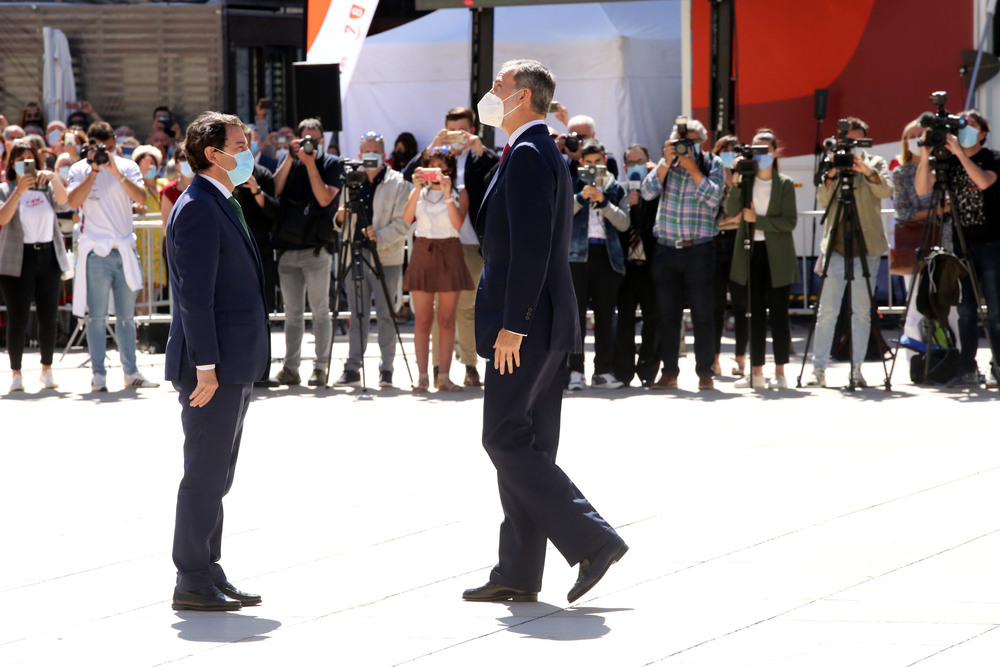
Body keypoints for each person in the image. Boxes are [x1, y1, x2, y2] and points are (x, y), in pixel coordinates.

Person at [462, 58, 627, 606]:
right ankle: (518, 570)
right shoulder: (529, 150)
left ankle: (591, 539)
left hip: (527, 324)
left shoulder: (532, 152)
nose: (491, 93)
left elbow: (531, 249)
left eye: (500, 86)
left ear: (524, 96)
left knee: (504, 437)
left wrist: (513, 325)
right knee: (528, 444)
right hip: (545, 319)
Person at [164, 111, 269, 612]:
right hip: (213, 367)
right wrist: (205, 364)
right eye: (241, 142)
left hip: (232, 362)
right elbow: (195, 296)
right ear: (214, 154)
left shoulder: (220, 200)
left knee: (218, 474)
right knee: (204, 474)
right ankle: (190, 578)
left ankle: (208, 566)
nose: (250, 149)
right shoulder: (200, 206)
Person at [403, 107, 500, 387]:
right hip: (433, 245)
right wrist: (434, 145)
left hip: (470, 243)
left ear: (471, 130)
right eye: (450, 131)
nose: (456, 137)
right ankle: (433, 372)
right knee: (429, 316)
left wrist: (480, 150)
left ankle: (469, 365)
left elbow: (495, 175)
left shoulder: (478, 158)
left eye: (462, 131)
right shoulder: (433, 159)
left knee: (465, 310)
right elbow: (409, 176)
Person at [66, 122, 159, 391]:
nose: (103, 152)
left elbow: (140, 197)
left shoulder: (128, 166)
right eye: (98, 148)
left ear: (115, 142)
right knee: (95, 317)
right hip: (97, 252)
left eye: (108, 147)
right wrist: (94, 171)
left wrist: (115, 172)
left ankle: (131, 372)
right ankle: (99, 374)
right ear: (89, 146)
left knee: (127, 317)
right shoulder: (79, 168)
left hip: (124, 250)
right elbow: (72, 202)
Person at [915, 110, 1000, 386]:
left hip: (991, 242)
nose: (965, 131)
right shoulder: (947, 161)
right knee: (965, 311)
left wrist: (961, 155)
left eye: (971, 126)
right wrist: (926, 154)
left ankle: (997, 365)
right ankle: (966, 367)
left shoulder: (992, 157)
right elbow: (922, 190)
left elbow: (984, 181)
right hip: (961, 245)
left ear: (983, 133)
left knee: (996, 310)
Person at [641, 117, 725, 391]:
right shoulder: (669, 164)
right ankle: (670, 372)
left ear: (700, 142)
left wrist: (692, 169)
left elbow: (714, 199)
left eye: (689, 142)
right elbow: (647, 192)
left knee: (702, 314)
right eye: (680, 141)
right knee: (668, 315)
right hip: (666, 248)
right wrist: (666, 162)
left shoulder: (712, 163)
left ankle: (705, 373)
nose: (683, 147)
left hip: (699, 249)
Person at [809, 117, 891, 388]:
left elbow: (886, 189)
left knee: (861, 311)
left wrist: (866, 171)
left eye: (857, 141)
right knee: (827, 311)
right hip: (836, 247)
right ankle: (818, 369)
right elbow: (822, 199)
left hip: (866, 246)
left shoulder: (875, 162)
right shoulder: (832, 161)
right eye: (847, 141)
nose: (851, 147)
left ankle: (856, 369)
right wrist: (832, 172)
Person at [333, 132, 412, 388]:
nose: (371, 156)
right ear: (359, 155)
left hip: (386, 257)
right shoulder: (350, 181)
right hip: (355, 253)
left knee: (387, 314)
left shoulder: (398, 182)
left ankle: (386, 369)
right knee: (357, 314)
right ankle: (353, 366)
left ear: (383, 154)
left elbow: (404, 222)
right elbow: (340, 220)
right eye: (367, 152)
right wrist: (340, 218)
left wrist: (380, 236)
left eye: (376, 152)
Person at [270, 118, 342, 387]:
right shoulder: (291, 159)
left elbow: (325, 198)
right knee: (292, 313)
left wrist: (311, 164)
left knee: (320, 311)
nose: (310, 143)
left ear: (322, 140)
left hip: (316, 251)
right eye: (305, 139)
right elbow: (275, 189)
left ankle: (321, 368)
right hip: (288, 248)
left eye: (314, 139)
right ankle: (291, 368)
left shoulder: (331, 164)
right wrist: (291, 157)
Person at [725, 129, 799, 390]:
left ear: (775, 152)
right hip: (750, 253)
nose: (761, 156)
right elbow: (731, 210)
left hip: (778, 257)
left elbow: (789, 221)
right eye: (756, 151)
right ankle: (756, 373)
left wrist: (760, 221)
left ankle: (779, 372)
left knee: (778, 313)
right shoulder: (746, 182)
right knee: (752, 313)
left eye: (765, 151)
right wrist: (735, 180)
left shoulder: (785, 183)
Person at [0, 141, 72, 391]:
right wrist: (18, 192)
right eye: (20, 160)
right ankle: (16, 372)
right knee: (18, 317)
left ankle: (47, 368)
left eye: (30, 159)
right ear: (12, 164)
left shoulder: (45, 187)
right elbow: (3, 217)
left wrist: (54, 179)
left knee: (48, 317)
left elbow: (66, 203)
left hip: (47, 256)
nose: (25, 163)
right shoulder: (5, 188)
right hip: (19, 258)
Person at [402, 147, 473, 392]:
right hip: (423, 250)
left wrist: (446, 193)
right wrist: (416, 187)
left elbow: (456, 223)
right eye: (433, 169)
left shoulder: (459, 193)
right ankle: (422, 376)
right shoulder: (418, 192)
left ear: (451, 170)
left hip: (450, 250)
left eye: (442, 170)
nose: (437, 174)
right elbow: (406, 218)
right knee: (422, 320)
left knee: (446, 319)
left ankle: (443, 377)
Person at [567, 139, 630, 390]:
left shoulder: (616, 188)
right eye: (588, 162)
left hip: (607, 257)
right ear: (581, 163)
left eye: (598, 162)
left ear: (604, 162)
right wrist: (581, 197)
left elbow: (624, 223)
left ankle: (603, 370)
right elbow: (560, 215)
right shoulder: (571, 184)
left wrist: (604, 202)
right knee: (575, 318)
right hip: (575, 257)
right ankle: (575, 371)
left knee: (605, 316)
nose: (593, 167)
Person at [612, 143, 662, 387]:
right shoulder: (619, 192)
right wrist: (627, 206)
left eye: (640, 162)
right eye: (631, 163)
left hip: (651, 266)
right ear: (624, 167)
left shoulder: (658, 191)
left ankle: (648, 370)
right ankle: (623, 372)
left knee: (654, 318)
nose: (636, 167)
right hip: (626, 267)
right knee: (624, 320)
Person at [710, 134, 748, 377]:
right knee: (715, 305)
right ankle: (714, 359)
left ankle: (741, 359)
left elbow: (745, 212)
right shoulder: (711, 176)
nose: (729, 152)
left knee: (741, 303)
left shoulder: (744, 177)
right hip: (715, 242)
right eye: (724, 149)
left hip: (738, 241)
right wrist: (727, 221)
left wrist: (729, 220)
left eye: (734, 149)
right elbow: (709, 216)